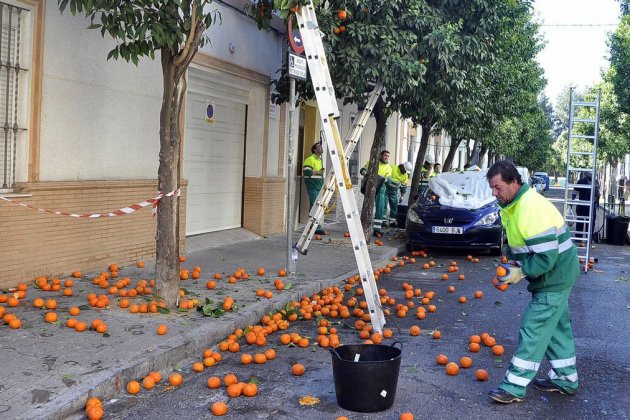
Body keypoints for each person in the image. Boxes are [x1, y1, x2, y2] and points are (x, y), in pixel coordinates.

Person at [486, 160, 580, 404]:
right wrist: (512, 264)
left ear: (514, 182)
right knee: (557, 329)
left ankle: (514, 386)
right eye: (492, 188)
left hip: (554, 276)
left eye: (497, 187)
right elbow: (521, 243)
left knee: (534, 327)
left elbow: (546, 259)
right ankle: (566, 379)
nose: (494, 193)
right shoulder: (514, 204)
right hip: (557, 274)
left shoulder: (530, 208)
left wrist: (520, 272)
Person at [360, 150, 392, 235]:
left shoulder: (388, 168)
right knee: (367, 207)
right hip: (370, 188)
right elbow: (362, 170)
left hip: (381, 189)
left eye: (388, 156)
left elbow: (389, 180)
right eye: (385, 155)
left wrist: (386, 179)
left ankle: (377, 230)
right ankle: (363, 226)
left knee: (380, 209)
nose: (387, 158)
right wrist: (366, 173)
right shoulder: (372, 162)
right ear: (381, 155)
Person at [302, 143, 326, 235]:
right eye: (319, 147)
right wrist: (318, 172)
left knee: (316, 206)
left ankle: (314, 226)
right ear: (315, 150)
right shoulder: (310, 159)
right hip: (312, 186)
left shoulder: (320, 160)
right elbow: (307, 172)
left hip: (319, 186)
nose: (321, 147)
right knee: (315, 205)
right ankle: (315, 227)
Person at [572, 172, 599, 243]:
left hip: (581, 204)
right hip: (591, 204)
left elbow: (574, 193)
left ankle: (578, 238)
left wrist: (572, 202)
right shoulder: (595, 182)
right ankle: (589, 238)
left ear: (584, 174)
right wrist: (596, 203)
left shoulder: (580, 181)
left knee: (580, 221)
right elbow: (597, 194)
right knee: (590, 222)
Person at [386, 161, 413, 227]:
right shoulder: (393, 167)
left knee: (394, 206)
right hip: (385, 190)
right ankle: (383, 222)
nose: (405, 172)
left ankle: (392, 221)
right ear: (402, 166)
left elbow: (403, 187)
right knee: (383, 205)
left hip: (394, 192)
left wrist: (402, 196)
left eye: (406, 171)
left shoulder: (405, 176)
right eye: (404, 170)